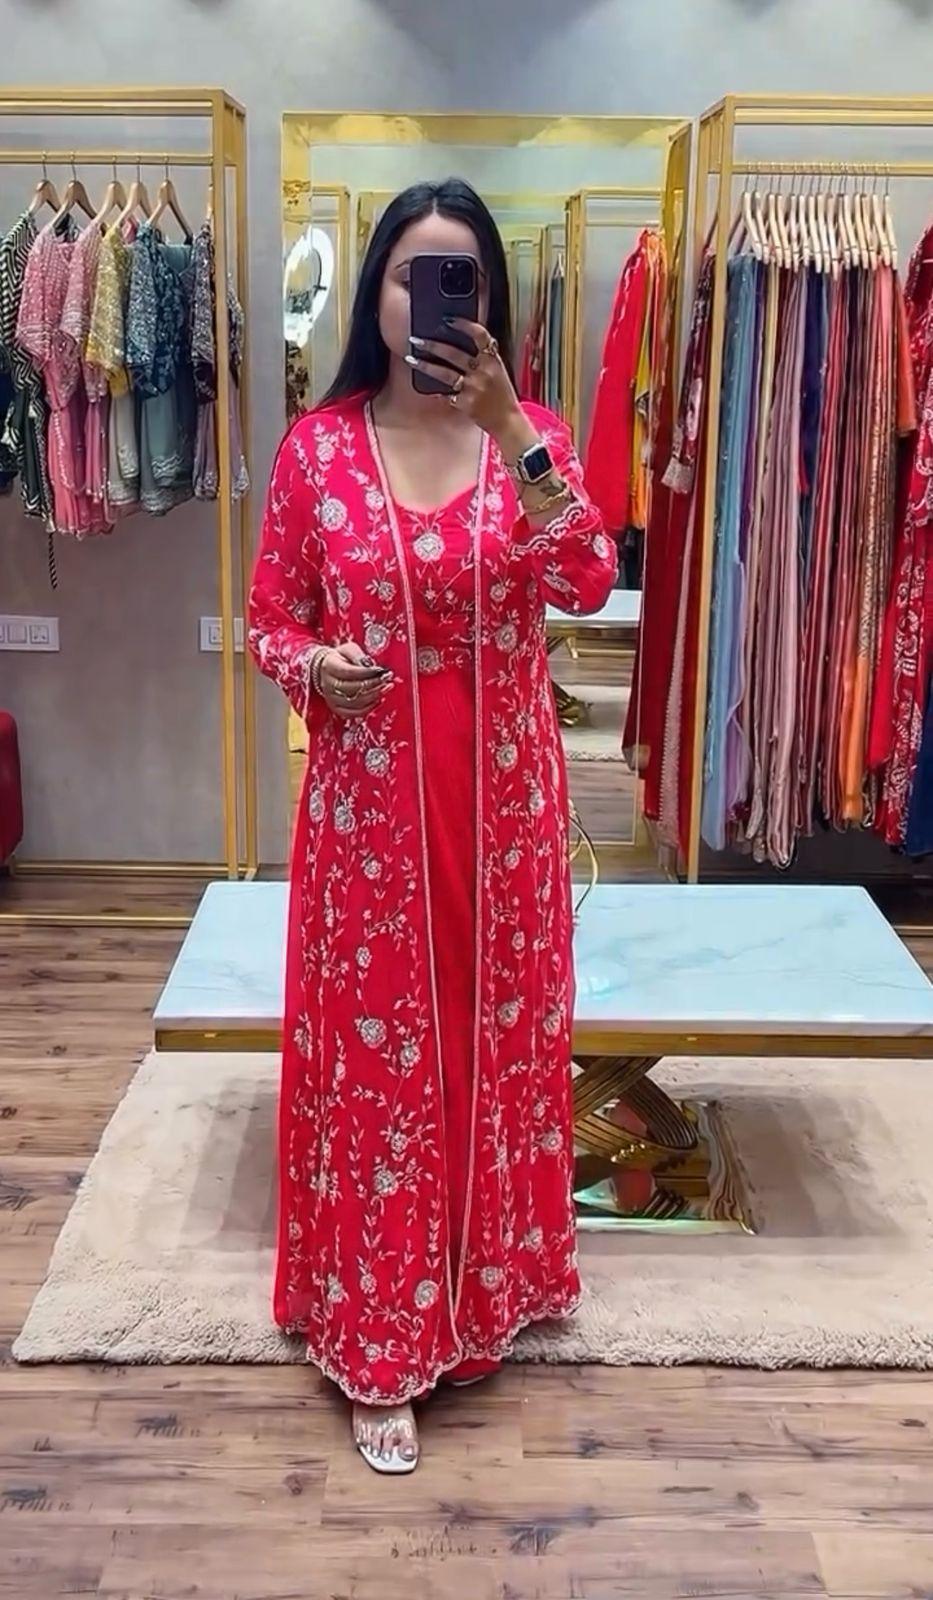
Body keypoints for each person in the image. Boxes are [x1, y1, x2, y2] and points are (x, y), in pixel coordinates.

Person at [248, 177, 616, 1474]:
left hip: (503, 804)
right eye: (413, 272)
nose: (434, 297)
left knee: (494, 1034)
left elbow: (588, 575)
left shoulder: (533, 437)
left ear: (490, 300)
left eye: (460, 275)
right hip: (368, 811)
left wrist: (510, 424)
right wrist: (312, 667)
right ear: (378, 292)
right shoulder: (316, 451)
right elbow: (268, 619)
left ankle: (493, 1281)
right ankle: (381, 1335)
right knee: (382, 1059)